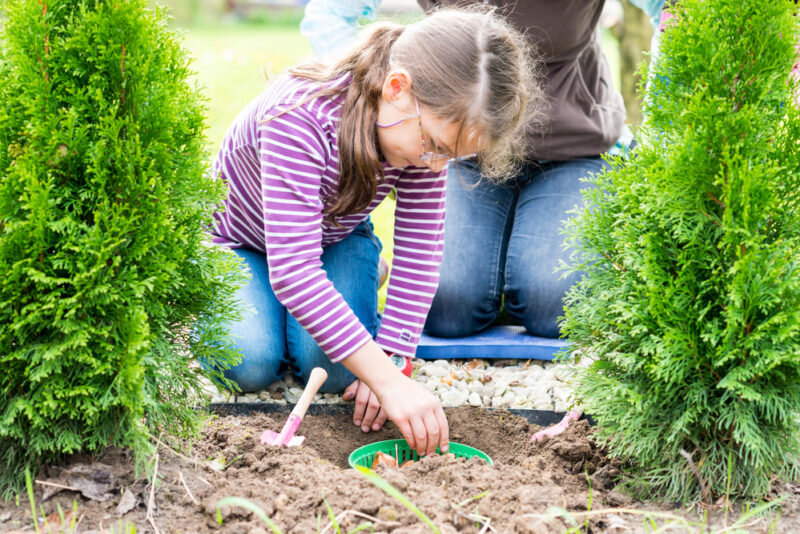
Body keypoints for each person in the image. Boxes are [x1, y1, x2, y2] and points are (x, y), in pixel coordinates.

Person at [209, 7, 537, 455]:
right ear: (397, 88)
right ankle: (280, 301)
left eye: (452, 157)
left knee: (338, 370)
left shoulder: (420, 138)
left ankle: (337, 286)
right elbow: (293, 272)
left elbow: (421, 251)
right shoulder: (299, 118)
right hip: (243, 243)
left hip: (333, 239)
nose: (437, 165)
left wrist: (395, 360)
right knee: (248, 363)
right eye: (437, 147)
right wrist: (381, 376)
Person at [302, 0, 664, 341]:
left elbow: (674, 11)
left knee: (557, 304)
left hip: (575, 148)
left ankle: (523, 270)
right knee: (445, 305)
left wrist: (659, 134)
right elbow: (331, 14)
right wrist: (379, 107)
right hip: (456, 152)